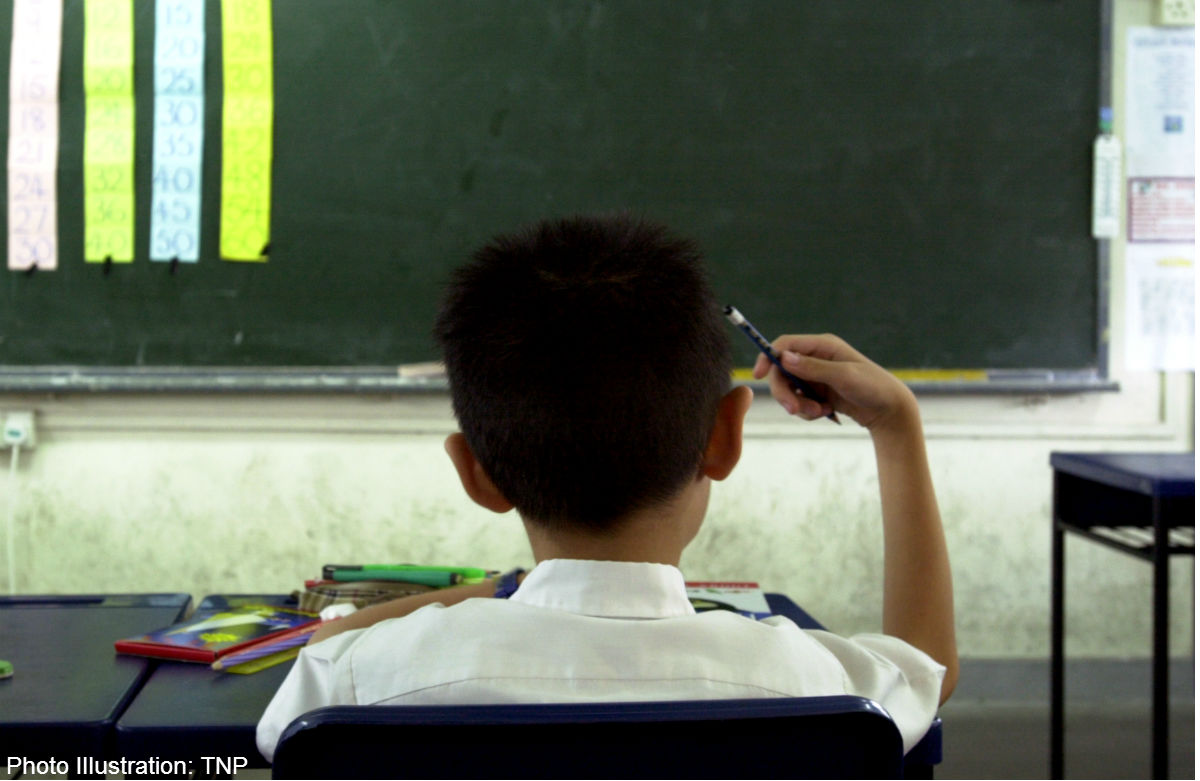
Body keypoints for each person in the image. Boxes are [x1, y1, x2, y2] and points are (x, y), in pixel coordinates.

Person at [256, 214, 957, 761]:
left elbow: (326, 648)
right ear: (725, 438)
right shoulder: (817, 685)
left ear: (476, 473)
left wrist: (501, 588)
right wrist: (896, 424)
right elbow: (928, 667)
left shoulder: (355, 684)